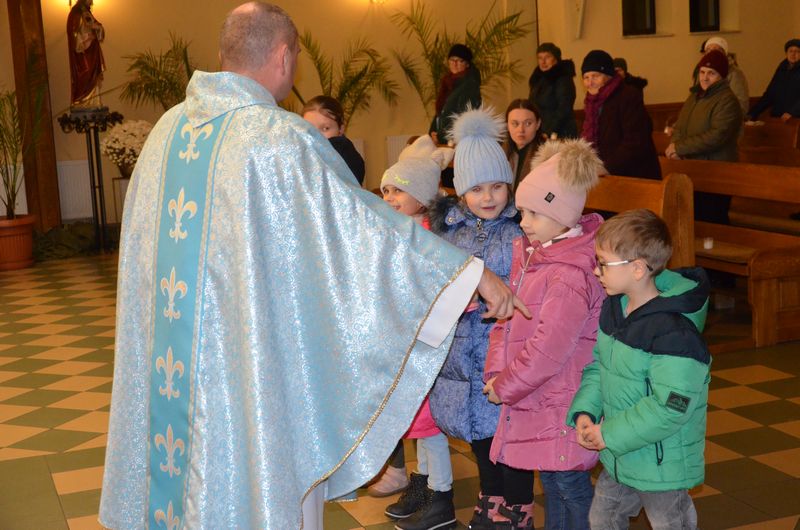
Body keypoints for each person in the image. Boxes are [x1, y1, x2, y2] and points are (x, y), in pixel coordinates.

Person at [98, 4, 528, 530]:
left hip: (177, 371)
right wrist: (468, 272)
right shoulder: (276, 138)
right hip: (249, 372)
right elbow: (362, 227)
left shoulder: (165, 132)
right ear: (284, 56)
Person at [482, 139, 606, 530]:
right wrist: (495, 373)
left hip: (562, 400)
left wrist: (506, 385)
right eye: (522, 211)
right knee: (554, 484)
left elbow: (547, 350)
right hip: (542, 397)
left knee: (569, 486)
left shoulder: (568, 275)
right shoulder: (538, 256)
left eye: (534, 213)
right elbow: (506, 321)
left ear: (563, 214)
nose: (523, 222)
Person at [567, 208, 711, 530]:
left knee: (669, 523)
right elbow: (599, 368)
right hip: (620, 455)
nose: (596, 271)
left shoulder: (675, 333)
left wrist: (609, 434)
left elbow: (672, 406)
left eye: (603, 263)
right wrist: (585, 411)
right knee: (603, 519)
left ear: (637, 269)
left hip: (660, 464)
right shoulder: (614, 310)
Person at [427, 107, 523, 530]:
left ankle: (516, 509)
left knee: (508, 434)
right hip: (462, 355)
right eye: (477, 188)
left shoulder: (518, 231)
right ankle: (491, 497)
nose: (488, 197)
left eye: (497, 186)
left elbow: (524, 285)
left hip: (503, 352)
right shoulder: (449, 232)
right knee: (480, 435)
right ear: (460, 190)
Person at [377, 135, 459, 530]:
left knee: (429, 426)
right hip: (405, 340)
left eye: (398, 190)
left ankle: (441, 497)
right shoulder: (399, 231)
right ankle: (423, 484)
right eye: (386, 190)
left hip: (428, 342)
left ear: (422, 197)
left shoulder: (430, 237)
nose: (389, 197)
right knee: (416, 422)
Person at [667, 49, 742, 223]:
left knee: (713, 218)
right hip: (694, 168)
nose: (705, 77)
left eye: (711, 73)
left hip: (716, 171)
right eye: (702, 72)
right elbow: (680, 126)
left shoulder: (727, 100)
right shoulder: (694, 96)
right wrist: (674, 146)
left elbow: (717, 135)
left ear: (721, 76)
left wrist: (680, 147)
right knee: (695, 219)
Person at [580, 50, 661, 180]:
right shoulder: (592, 103)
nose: (590, 83)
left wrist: (607, 167)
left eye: (595, 76)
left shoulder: (628, 96)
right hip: (608, 175)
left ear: (608, 76)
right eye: (586, 77)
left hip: (635, 176)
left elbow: (636, 141)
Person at [302, 95, 366, 185]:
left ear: (341, 129)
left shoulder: (342, 149)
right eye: (310, 129)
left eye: (325, 128)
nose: (317, 135)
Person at [429, 44, 482, 145]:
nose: (455, 63)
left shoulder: (470, 85)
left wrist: (440, 137)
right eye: (452, 60)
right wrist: (433, 132)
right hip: (444, 140)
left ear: (467, 64)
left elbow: (463, 117)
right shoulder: (448, 83)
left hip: (457, 143)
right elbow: (441, 113)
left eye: (459, 61)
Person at [528, 43, 578, 139]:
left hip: (560, 132)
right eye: (540, 58)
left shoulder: (563, 78)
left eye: (547, 57)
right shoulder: (537, 79)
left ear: (556, 58)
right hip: (541, 130)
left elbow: (564, 108)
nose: (543, 61)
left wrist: (549, 131)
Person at [747, 38, 800, 122]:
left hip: (795, 118)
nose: (793, 54)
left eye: (797, 51)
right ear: (786, 53)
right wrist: (753, 113)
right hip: (778, 116)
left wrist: (792, 112)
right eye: (790, 51)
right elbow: (770, 93)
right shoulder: (782, 68)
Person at [67, 0, 105, 106]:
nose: (91, 2)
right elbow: (74, 34)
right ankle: (83, 102)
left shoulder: (86, 12)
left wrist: (98, 28)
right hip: (82, 54)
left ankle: (94, 102)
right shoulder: (75, 13)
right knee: (85, 74)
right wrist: (87, 38)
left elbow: (96, 26)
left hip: (92, 52)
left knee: (94, 76)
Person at [503, 99, 545, 191]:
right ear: (507, 126)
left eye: (528, 123)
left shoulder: (547, 157)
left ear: (538, 124)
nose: (521, 130)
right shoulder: (499, 154)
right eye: (515, 124)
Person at [701, 37, 750, 115]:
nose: (712, 53)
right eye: (708, 50)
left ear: (725, 53)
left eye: (717, 50)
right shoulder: (702, 72)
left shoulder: (734, 73)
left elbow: (741, 106)